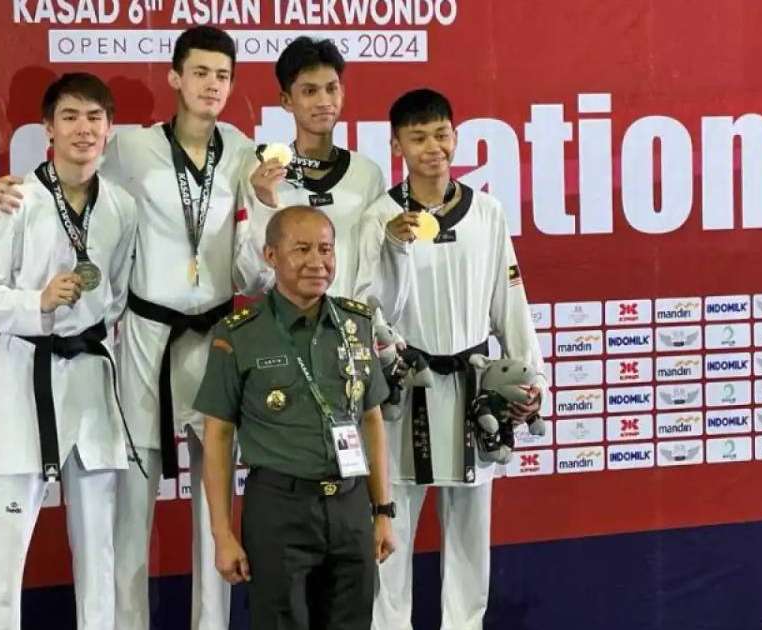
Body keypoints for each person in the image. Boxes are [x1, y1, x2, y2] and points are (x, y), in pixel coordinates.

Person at [0, 26, 259, 630]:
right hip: (145, 340)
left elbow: (258, 242)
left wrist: (265, 198)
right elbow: (67, 175)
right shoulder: (131, 145)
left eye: (222, 75)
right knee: (129, 508)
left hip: (214, 336)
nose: (212, 85)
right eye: (200, 72)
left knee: (216, 504)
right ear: (175, 77)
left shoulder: (241, 150)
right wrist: (3, 185)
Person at [355, 89, 546, 630]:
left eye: (441, 134)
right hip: (404, 389)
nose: (432, 148)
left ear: (456, 137)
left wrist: (531, 377)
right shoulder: (380, 217)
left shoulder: (487, 212)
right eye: (417, 138)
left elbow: (510, 302)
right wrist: (394, 248)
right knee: (390, 528)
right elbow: (367, 309)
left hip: (471, 389)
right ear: (397, 145)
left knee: (469, 535)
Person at [0, 72, 138, 630]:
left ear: (109, 129)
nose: (83, 129)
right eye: (70, 116)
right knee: (4, 549)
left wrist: (84, 323)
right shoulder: (16, 199)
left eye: (94, 117)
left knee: (99, 549)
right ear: (48, 129)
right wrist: (36, 303)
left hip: (90, 380)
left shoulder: (122, 207)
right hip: (27, 377)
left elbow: (116, 295)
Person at [195, 205, 397, 630]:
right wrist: (222, 534)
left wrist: (383, 511)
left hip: (350, 507)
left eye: (326, 249)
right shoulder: (240, 333)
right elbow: (218, 435)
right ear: (271, 256)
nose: (317, 262)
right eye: (302, 249)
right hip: (279, 511)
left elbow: (372, 420)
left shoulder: (357, 324)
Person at [239, 36, 393, 298]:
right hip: (286, 323)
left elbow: (376, 273)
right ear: (286, 100)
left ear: (342, 92)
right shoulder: (262, 176)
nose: (324, 101)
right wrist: (265, 204)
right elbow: (251, 282)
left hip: (350, 322)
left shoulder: (367, 175)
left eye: (331, 88)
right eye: (310, 91)